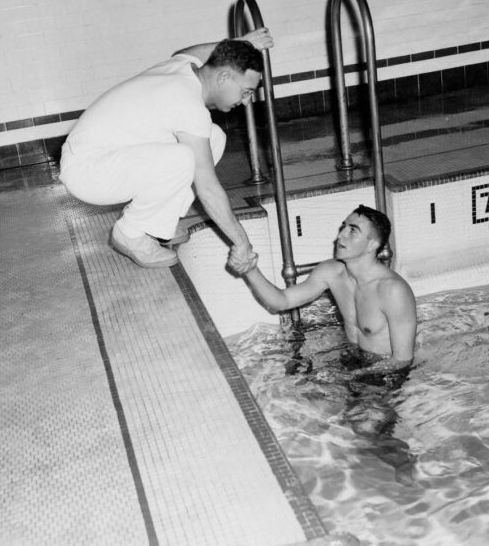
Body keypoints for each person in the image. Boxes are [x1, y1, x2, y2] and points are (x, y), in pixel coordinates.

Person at [59, 29, 273, 268]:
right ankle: (131, 233)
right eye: (246, 92)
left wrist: (240, 44)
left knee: (214, 137)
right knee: (184, 157)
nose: (245, 102)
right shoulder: (189, 105)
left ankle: (160, 225)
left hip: (101, 158)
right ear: (223, 77)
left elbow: (186, 52)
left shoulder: (184, 67)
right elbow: (208, 189)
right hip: (88, 171)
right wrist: (241, 242)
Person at [229, 205, 416, 380]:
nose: (340, 236)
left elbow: (402, 360)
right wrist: (250, 271)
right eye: (343, 228)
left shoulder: (392, 291)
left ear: (372, 245)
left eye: (352, 231)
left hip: (386, 372)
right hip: (352, 360)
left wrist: (352, 376)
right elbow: (282, 301)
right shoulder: (331, 272)